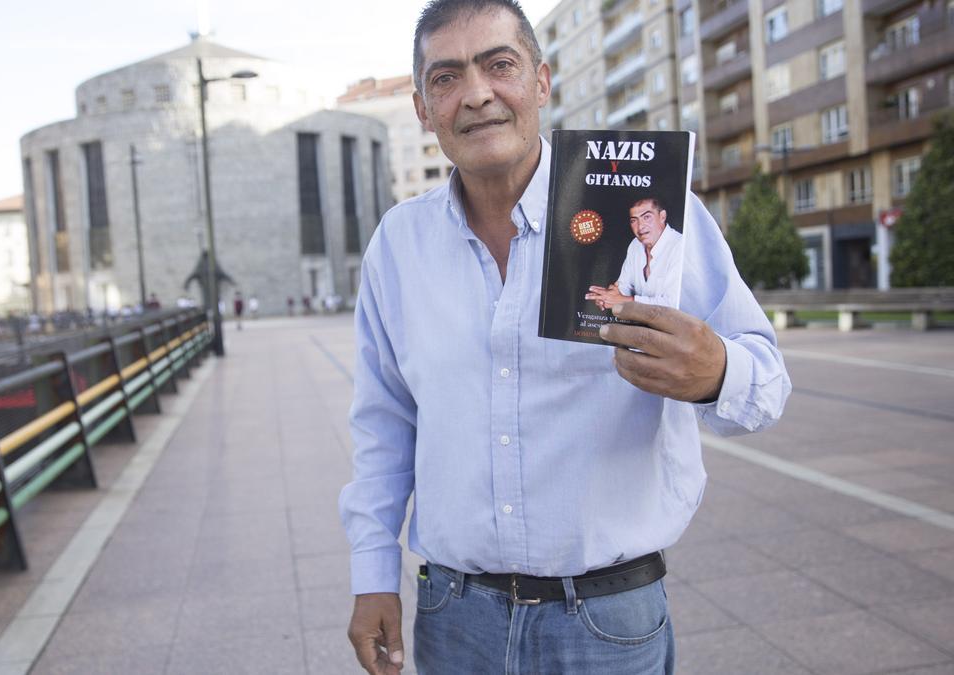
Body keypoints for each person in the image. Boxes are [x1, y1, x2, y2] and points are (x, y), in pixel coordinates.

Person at [338, 2, 790, 674]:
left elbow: (767, 379)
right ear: (422, 108)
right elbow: (384, 423)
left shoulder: (640, 206)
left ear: (542, 83)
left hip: (607, 621)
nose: (478, 94)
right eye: (446, 78)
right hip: (454, 618)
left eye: (500, 66)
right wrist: (373, 570)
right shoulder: (398, 247)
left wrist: (717, 368)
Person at [586, 197, 684, 310]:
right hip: (640, 324)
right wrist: (607, 296)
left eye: (647, 217)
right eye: (634, 220)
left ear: (662, 216)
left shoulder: (680, 246)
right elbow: (624, 286)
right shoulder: (636, 244)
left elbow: (673, 305)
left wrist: (623, 301)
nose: (640, 226)